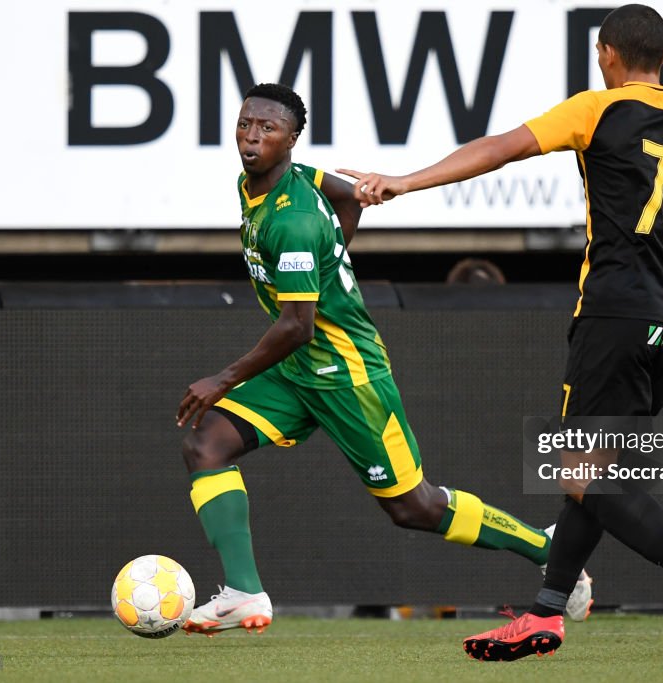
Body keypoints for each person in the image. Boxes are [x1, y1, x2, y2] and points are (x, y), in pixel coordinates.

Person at [338, 4, 663, 662]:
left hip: (614, 311)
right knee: (596, 470)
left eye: (601, 54)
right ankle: (547, 612)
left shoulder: (597, 109)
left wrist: (405, 182)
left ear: (608, 54)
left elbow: (498, 149)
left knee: (574, 469)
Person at [175, 83, 593, 636]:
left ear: (291, 140)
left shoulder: (293, 218)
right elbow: (348, 194)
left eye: (268, 129)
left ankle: (549, 548)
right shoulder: (275, 180)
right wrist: (335, 252)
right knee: (206, 444)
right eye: (246, 124)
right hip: (301, 372)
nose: (253, 138)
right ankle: (245, 593)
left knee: (414, 508)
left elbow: (297, 327)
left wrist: (222, 378)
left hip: (347, 374)